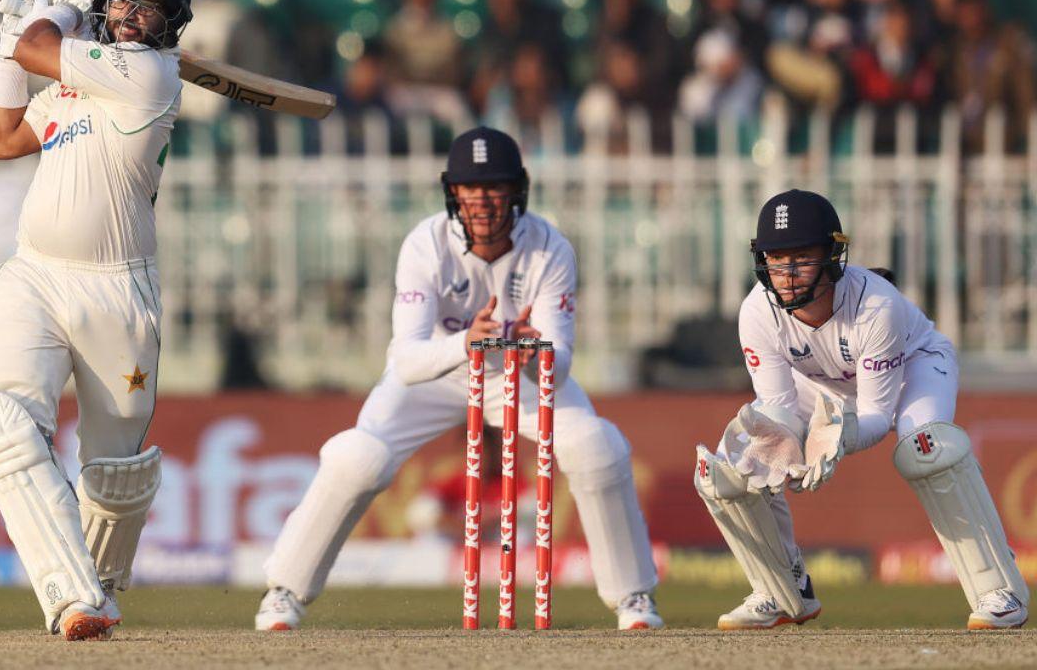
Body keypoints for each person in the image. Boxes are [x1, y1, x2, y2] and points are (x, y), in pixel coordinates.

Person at [256, 126, 663, 631]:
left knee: (596, 446)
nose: (484, 201)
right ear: (453, 193)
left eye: (495, 188)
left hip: (519, 372)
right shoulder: (425, 244)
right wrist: (464, 343)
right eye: (472, 189)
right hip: (437, 374)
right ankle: (285, 592)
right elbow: (406, 360)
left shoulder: (549, 248)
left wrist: (536, 354)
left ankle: (634, 598)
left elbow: (561, 364)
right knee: (358, 457)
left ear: (518, 190)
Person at [0, 0, 192, 640]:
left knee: (115, 477)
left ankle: (98, 588)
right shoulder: (75, 83)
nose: (127, 14)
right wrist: (8, 40)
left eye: (145, 7)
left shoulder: (149, 75)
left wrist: (46, 9)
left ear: (168, 26)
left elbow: (40, 45)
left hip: (119, 294)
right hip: (34, 274)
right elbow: (3, 138)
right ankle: (70, 595)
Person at [695, 189, 1028, 631]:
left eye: (801, 259)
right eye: (776, 260)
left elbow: (875, 414)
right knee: (737, 463)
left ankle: (998, 589)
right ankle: (781, 590)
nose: (787, 275)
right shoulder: (756, 311)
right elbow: (778, 409)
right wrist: (781, 447)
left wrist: (838, 438)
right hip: (821, 383)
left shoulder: (877, 306)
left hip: (914, 366)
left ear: (832, 256)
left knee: (927, 449)